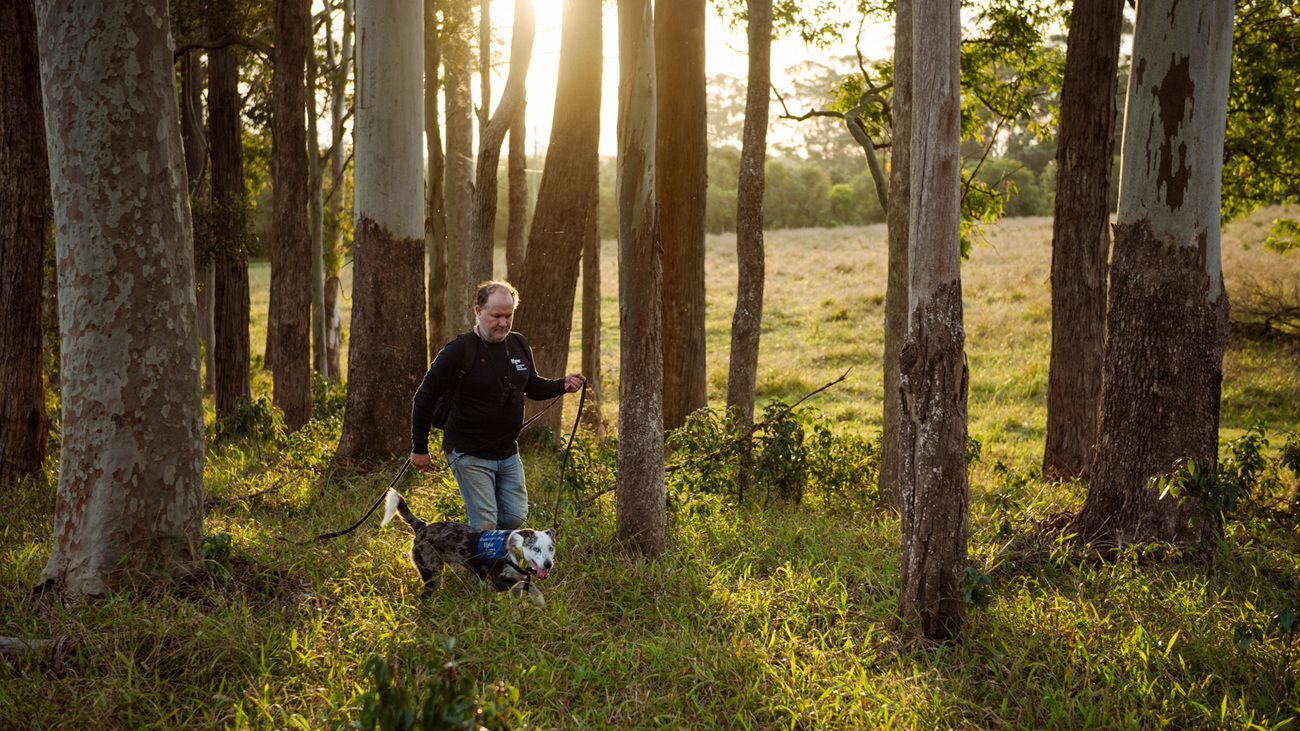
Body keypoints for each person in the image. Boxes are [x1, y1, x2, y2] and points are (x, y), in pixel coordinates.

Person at [410, 280, 585, 530]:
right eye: (496, 316)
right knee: (485, 523)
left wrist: (562, 384)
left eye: (508, 315)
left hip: (508, 453)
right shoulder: (459, 350)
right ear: (479, 312)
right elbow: (425, 395)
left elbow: (531, 385)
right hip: (468, 452)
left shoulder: (519, 344)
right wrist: (420, 447)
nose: (503, 323)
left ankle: (496, 562)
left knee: (514, 519)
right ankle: (482, 568)